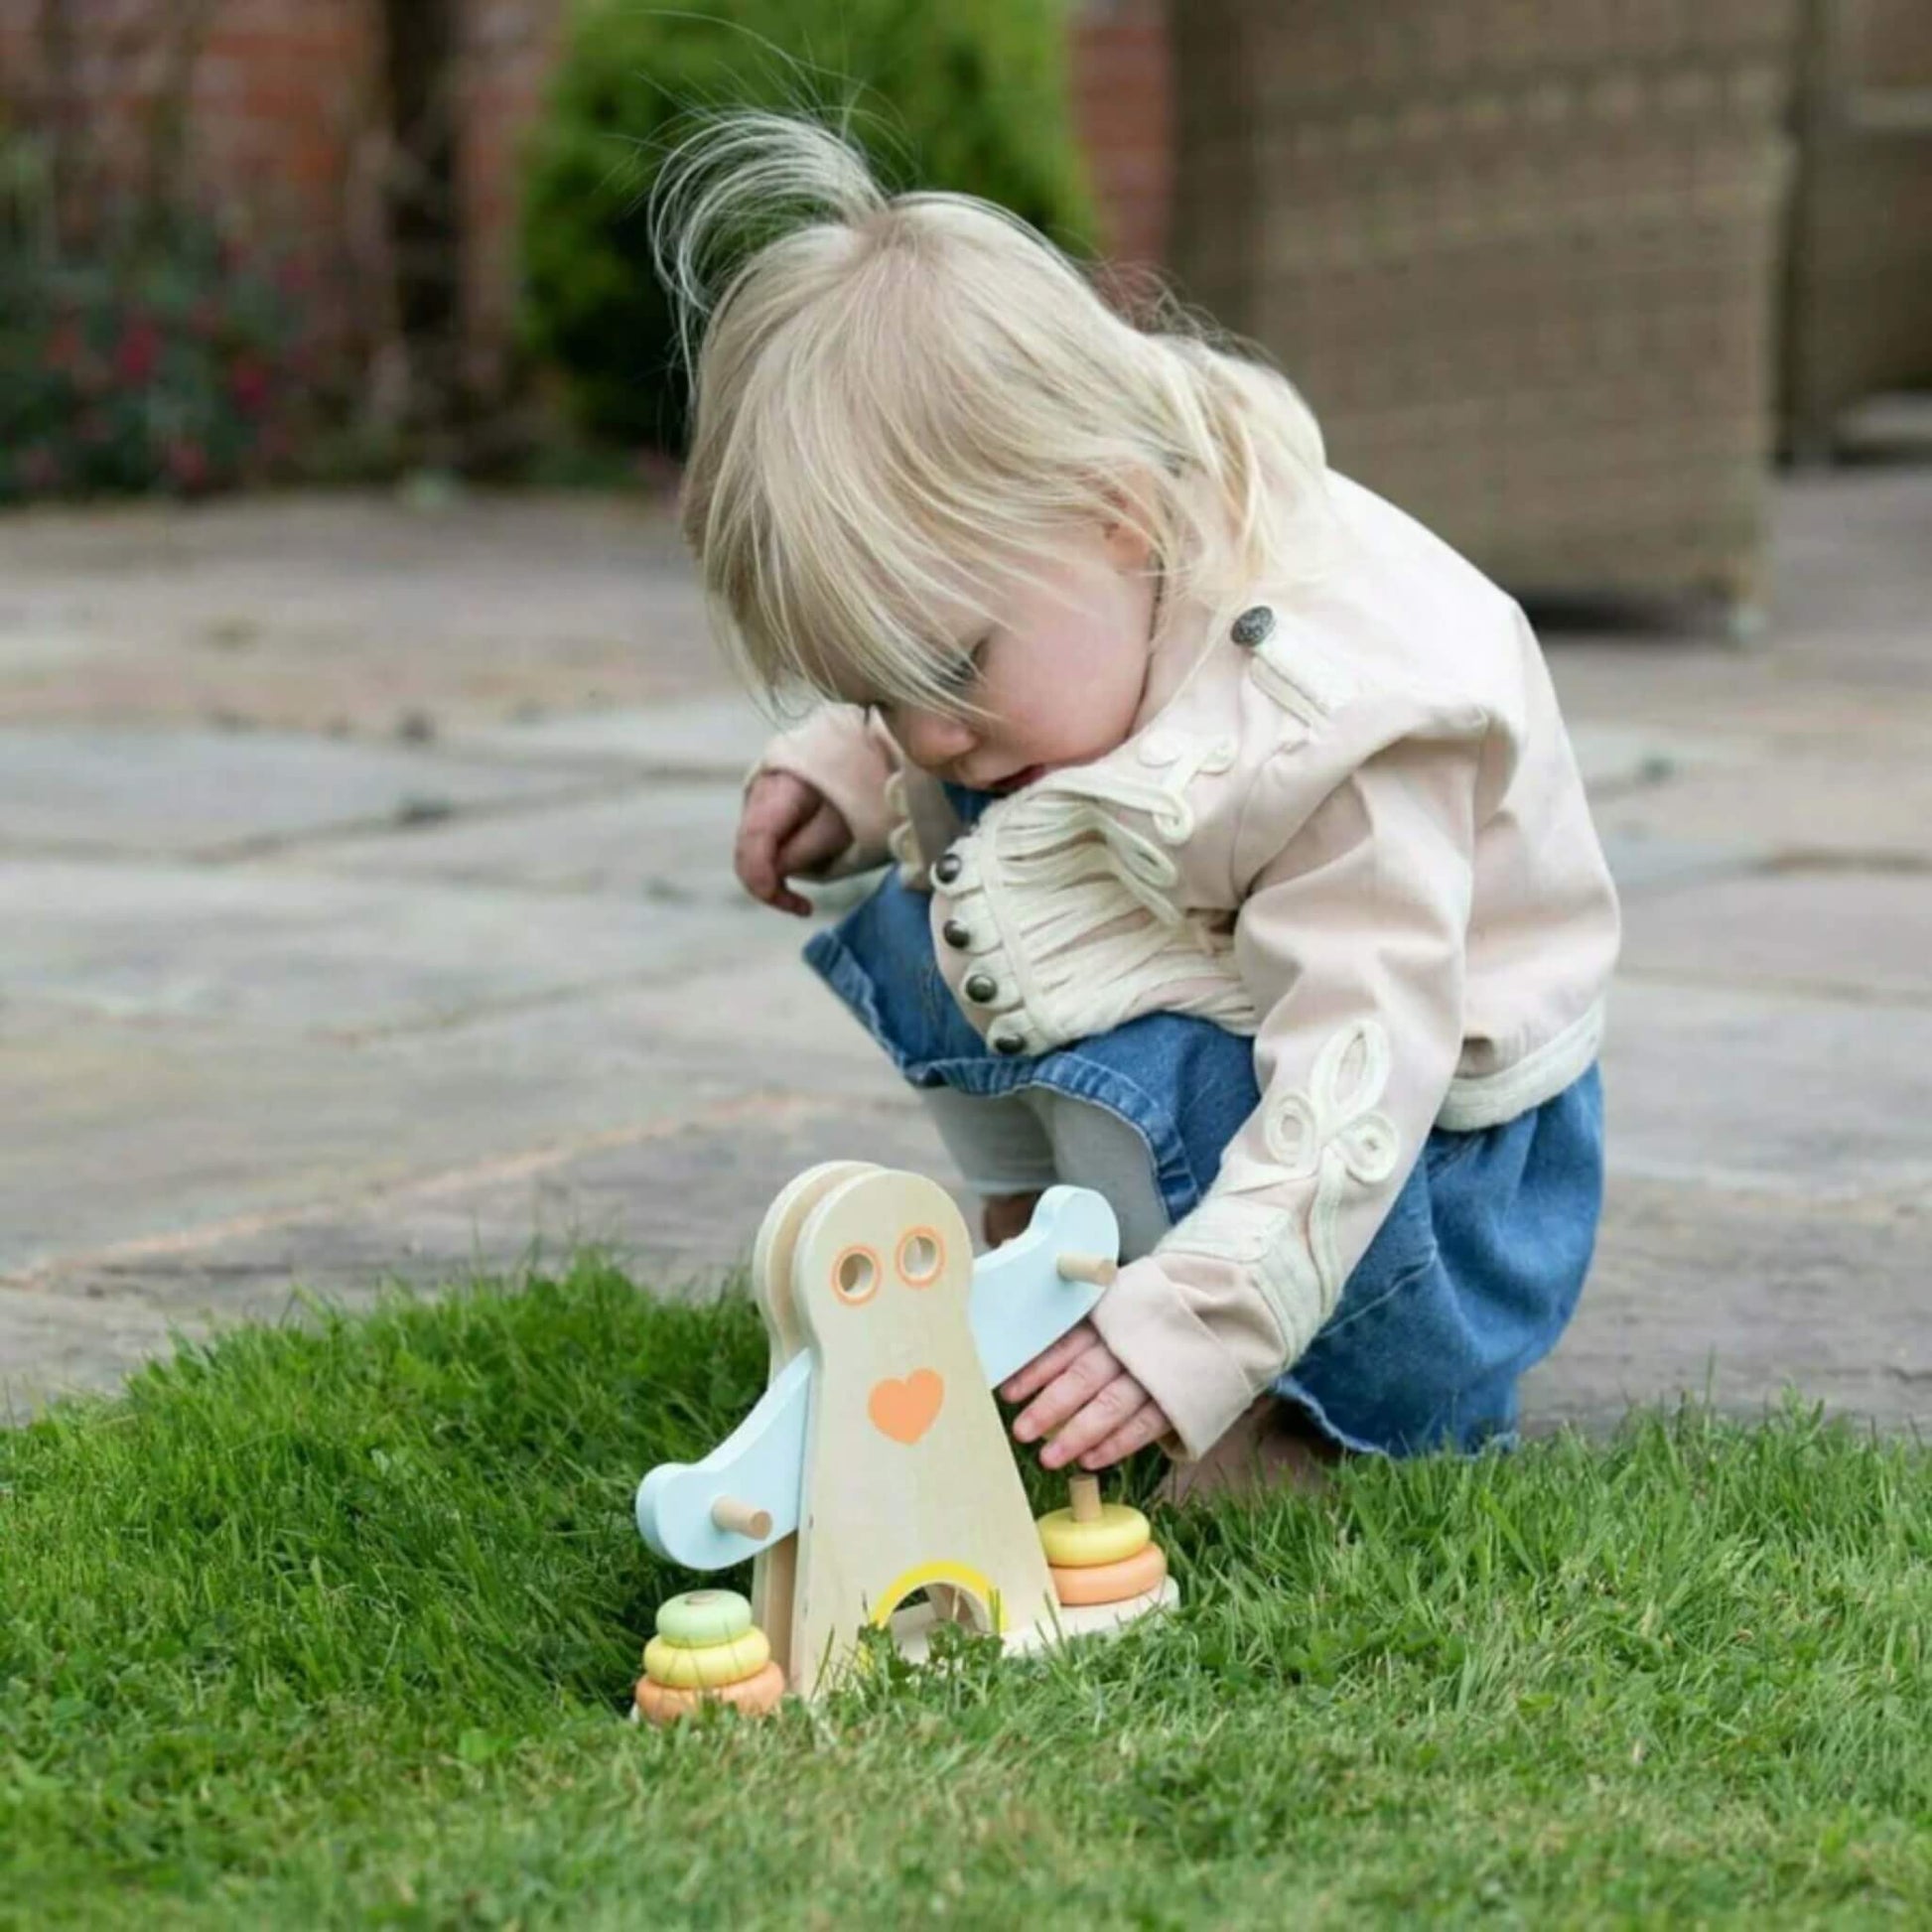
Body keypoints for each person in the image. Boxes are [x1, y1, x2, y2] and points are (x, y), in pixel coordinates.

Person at [651, 111, 1620, 1492]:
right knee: (939, 856)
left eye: (939, 670)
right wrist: (851, 765)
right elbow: (943, 669)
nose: (926, 730)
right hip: (1273, 1033)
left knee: (1112, 968)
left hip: (1422, 1191)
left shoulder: (1333, 727)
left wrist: (1190, 1337)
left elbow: (1354, 1083)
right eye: (869, 688)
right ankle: (1048, 1240)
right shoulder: (1061, 544)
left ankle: (1298, 1412)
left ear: (1114, 514)